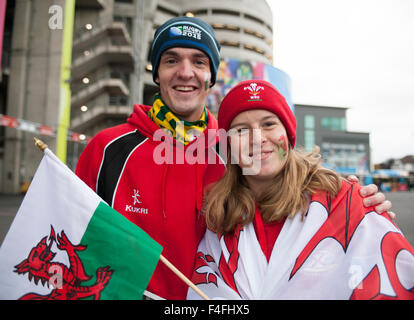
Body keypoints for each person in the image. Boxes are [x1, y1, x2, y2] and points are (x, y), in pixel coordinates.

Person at [76, 16, 392, 300]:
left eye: (199, 62)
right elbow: (73, 235)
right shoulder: (108, 148)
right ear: (156, 72)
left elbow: (289, 197)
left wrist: (353, 204)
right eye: (171, 60)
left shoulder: (235, 152)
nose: (185, 72)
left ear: (211, 76)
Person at [187, 79, 414, 300]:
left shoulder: (346, 202)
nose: (257, 139)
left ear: (287, 134)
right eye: (241, 130)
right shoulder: (218, 221)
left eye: (268, 124)